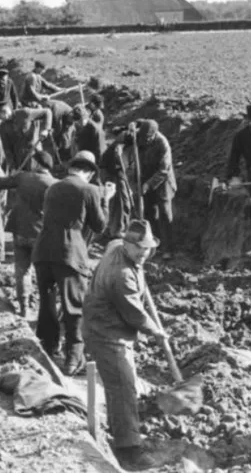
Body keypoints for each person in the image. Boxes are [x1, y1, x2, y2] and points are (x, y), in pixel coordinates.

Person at [82, 219, 167, 471]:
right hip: (107, 334)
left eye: (148, 248)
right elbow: (135, 314)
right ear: (128, 245)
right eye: (140, 248)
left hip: (103, 325)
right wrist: (156, 332)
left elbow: (112, 241)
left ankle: (117, 428)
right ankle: (128, 450)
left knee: (119, 385)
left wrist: (139, 263)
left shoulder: (117, 246)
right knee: (123, 387)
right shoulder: (121, 275)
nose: (145, 253)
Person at [32, 151, 115, 375]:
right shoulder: (88, 190)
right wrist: (105, 200)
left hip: (42, 252)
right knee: (73, 307)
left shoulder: (53, 188)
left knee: (47, 304)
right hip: (68, 254)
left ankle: (48, 346)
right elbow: (99, 226)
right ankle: (73, 358)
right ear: (88, 172)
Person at [0, 151, 57, 316]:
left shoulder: (23, 177)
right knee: (44, 272)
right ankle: (46, 309)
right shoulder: (55, 185)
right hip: (40, 234)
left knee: (22, 271)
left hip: (20, 231)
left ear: (36, 163)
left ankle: (24, 306)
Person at [135, 120, 177, 260]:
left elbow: (164, 170)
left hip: (163, 182)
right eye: (143, 138)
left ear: (154, 134)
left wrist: (148, 184)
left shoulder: (162, 143)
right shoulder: (140, 137)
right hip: (146, 177)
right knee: (149, 213)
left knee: (165, 214)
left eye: (147, 138)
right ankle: (153, 244)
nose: (145, 141)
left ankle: (169, 248)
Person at [101, 129, 135, 239]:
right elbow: (121, 164)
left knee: (121, 202)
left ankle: (112, 228)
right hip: (113, 174)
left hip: (115, 173)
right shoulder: (119, 148)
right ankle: (117, 230)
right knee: (121, 203)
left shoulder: (124, 141)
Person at [0, 105, 52, 173]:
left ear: (9, 108)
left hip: (36, 154)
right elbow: (7, 149)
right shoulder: (3, 127)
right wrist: (12, 167)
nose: (4, 116)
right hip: (20, 161)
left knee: (43, 177)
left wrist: (46, 129)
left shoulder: (24, 113)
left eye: (5, 112)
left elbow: (47, 112)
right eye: (0, 115)